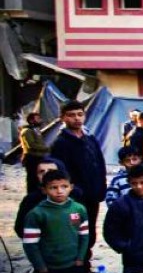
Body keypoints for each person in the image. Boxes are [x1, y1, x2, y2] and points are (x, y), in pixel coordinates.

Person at [21, 169, 89, 273]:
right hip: (48, 270)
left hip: (73, 267)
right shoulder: (37, 214)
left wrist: (80, 258)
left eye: (64, 186)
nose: (59, 191)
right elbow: (30, 244)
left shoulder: (78, 209)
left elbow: (84, 236)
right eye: (53, 187)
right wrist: (41, 266)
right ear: (44, 189)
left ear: (71, 187)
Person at [49, 100, 106, 262]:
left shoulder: (90, 139)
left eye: (80, 114)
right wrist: (73, 191)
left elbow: (100, 163)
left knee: (90, 231)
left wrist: (101, 186)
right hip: (75, 198)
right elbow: (60, 173)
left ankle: (85, 264)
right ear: (63, 118)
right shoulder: (61, 143)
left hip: (93, 195)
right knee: (76, 232)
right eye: (71, 115)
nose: (76, 118)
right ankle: (77, 265)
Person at [15, 158, 84, 239]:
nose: (46, 174)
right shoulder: (31, 200)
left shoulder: (75, 196)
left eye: (51, 171)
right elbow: (21, 228)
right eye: (41, 171)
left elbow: (82, 225)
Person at [19, 111, 49, 193]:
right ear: (31, 120)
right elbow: (31, 145)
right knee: (32, 179)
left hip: (38, 157)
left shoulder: (35, 130)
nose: (40, 120)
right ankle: (31, 195)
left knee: (38, 179)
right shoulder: (26, 131)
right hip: (31, 158)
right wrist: (46, 149)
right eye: (37, 118)